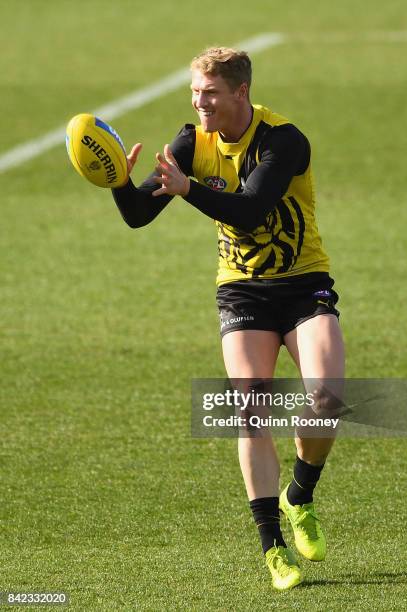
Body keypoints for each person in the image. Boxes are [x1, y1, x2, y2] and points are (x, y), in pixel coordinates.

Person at [111, 46, 345, 591]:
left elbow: (252, 208)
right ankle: (272, 547)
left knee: (328, 399)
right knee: (252, 409)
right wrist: (119, 184)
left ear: (241, 91)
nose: (200, 103)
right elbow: (139, 215)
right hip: (241, 292)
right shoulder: (191, 141)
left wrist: (189, 189)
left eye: (211, 93)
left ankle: (300, 494)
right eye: (195, 92)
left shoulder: (284, 140)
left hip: (302, 283)